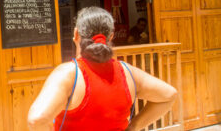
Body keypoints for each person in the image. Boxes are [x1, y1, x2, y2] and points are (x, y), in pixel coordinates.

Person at [28, 7, 177, 131]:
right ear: (111, 36)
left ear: (76, 34)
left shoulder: (69, 74)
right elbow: (169, 95)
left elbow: (37, 120)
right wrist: (133, 127)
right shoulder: (128, 72)